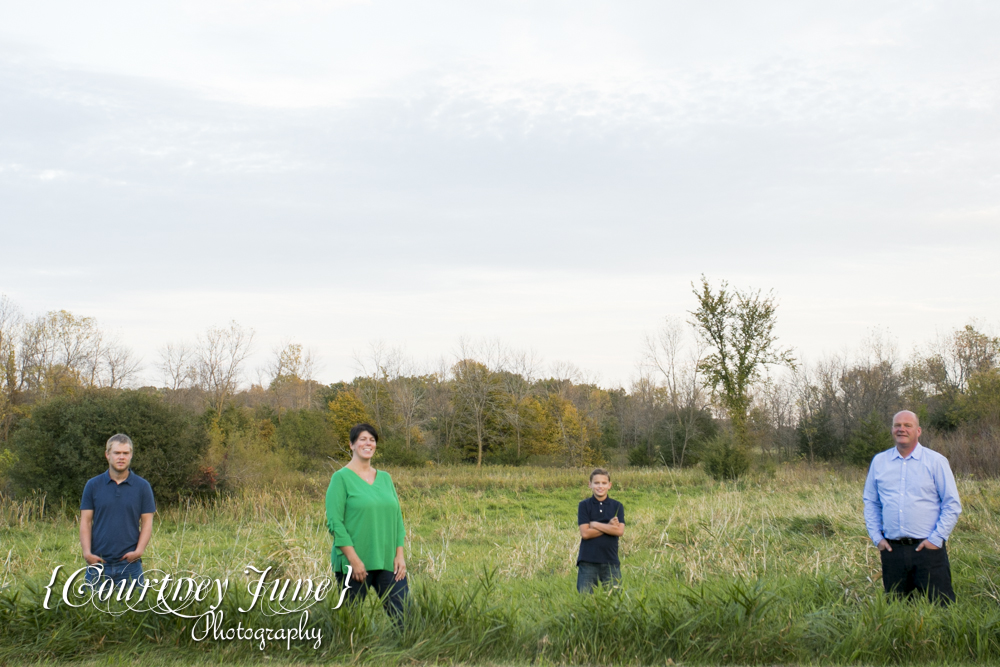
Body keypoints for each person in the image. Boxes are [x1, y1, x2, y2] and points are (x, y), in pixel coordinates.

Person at [863, 410, 962, 604]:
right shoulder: (880, 462)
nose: (902, 429)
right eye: (897, 425)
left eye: (907, 425)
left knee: (941, 607)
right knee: (897, 611)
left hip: (928, 550)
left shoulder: (936, 461)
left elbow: (951, 504)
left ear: (918, 431)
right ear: (892, 430)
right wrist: (877, 538)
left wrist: (937, 538)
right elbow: (871, 502)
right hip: (893, 551)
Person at [325, 423, 408, 620]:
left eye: (372, 440)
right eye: (362, 439)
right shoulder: (341, 479)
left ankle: (409, 651)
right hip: (355, 563)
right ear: (352, 445)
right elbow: (335, 523)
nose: (368, 443)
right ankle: (348, 651)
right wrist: (354, 560)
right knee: (349, 624)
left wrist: (399, 555)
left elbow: (397, 519)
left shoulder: (386, 478)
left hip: (388, 560)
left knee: (405, 619)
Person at [80, 433, 156, 585]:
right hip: (98, 565)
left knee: (136, 608)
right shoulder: (92, 485)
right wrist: (87, 553)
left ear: (131, 455)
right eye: (117, 453)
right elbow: (86, 521)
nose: (121, 457)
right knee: (92, 608)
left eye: (125, 453)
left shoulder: (142, 487)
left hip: (130, 566)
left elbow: (147, 522)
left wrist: (139, 551)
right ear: (107, 455)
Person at [576, 467, 625, 593]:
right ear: (590, 485)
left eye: (604, 483)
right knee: (585, 601)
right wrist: (609, 526)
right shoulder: (584, 505)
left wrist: (595, 524)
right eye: (596, 483)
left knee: (614, 600)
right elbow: (585, 533)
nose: (600, 486)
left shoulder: (617, 506)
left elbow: (619, 531)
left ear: (609, 485)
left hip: (611, 562)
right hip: (588, 562)